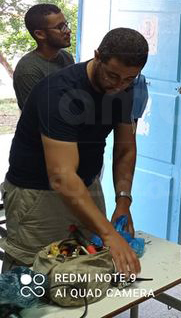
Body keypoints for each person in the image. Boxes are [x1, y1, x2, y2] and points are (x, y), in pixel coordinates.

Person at [0, 28, 148, 275]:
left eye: (128, 79)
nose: (118, 85)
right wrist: (109, 233)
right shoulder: (59, 92)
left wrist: (123, 200)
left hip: (86, 186)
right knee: (34, 275)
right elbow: (62, 176)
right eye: (112, 76)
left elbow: (125, 148)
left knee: (90, 268)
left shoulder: (125, 88)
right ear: (97, 56)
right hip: (38, 194)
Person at [13, 4, 75, 109]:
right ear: (40, 34)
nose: (68, 31)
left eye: (66, 25)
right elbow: (38, 113)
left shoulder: (66, 57)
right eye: (60, 27)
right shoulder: (28, 70)